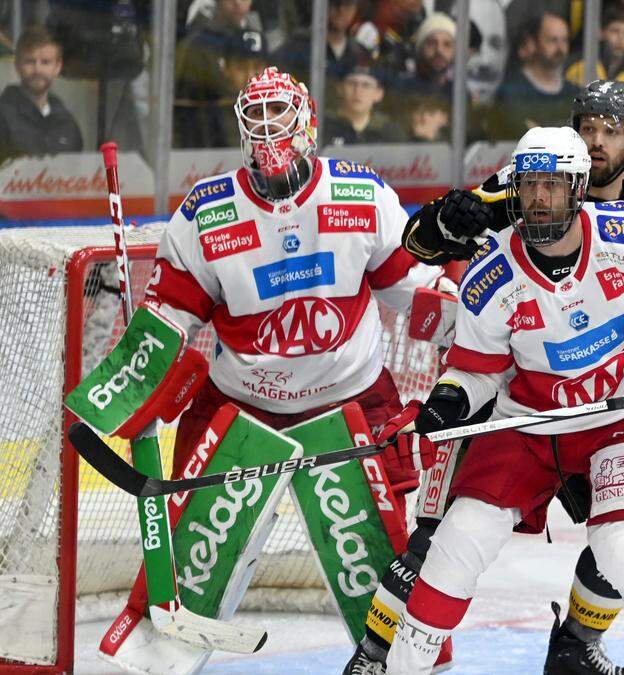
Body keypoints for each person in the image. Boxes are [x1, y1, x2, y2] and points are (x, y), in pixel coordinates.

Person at [343, 79, 624, 675]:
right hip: (506, 388)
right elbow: (420, 246)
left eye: (613, 130)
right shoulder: (522, 187)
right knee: (446, 536)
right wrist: (444, 220)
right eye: (590, 126)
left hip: (605, 405)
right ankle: (379, 654)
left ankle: (578, 643)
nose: (598, 139)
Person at [110, 64, 445, 667]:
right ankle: (154, 658)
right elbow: (169, 315)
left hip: (351, 401)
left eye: (280, 117)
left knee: (381, 555)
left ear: (309, 123)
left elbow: (412, 290)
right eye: (255, 119)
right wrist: (140, 371)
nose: (267, 133)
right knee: (193, 550)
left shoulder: (360, 196)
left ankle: (404, 661)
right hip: (241, 405)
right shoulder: (207, 214)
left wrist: (475, 331)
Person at [174, 0, 267, 148]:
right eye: (240, 67)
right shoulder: (196, 45)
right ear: (225, 69)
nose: (237, 2)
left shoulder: (260, 32)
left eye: (257, 68)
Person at [0, 25, 83, 163]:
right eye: (30, 61)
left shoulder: (67, 123)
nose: (37, 70)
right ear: (17, 64)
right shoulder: (2, 116)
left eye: (45, 62)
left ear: (57, 67)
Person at [493, 11, 574, 135]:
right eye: (553, 40)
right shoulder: (510, 94)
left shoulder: (575, 94)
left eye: (564, 40)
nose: (560, 47)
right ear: (533, 43)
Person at [322, 62, 402, 145]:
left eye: (366, 85)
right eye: (352, 83)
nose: (358, 91)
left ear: (379, 93)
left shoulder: (389, 131)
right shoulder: (323, 126)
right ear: (340, 88)